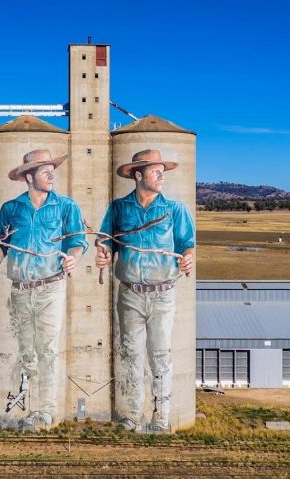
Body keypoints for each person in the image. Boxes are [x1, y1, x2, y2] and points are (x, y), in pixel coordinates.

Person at [0, 149, 88, 429]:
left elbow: (78, 241)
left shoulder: (67, 206)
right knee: (25, 351)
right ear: (29, 176)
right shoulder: (11, 209)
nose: (51, 174)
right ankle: (24, 406)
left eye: (52, 168)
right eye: (45, 170)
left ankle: (45, 411)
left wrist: (73, 257)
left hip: (49, 288)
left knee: (47, 350)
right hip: (19, 291)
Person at [95, 148, 195, 433]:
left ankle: (161, 417)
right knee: (131, 356)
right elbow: (106, 241)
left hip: (163, 294)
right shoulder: (118, 208)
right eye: (154, 170)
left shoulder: (175, 210)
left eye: (162, 169)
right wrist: (103, 253)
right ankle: (132, 416)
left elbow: (186, 243)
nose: (161, 174)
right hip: (129, 294)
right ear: (137, 175)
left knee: (161, 356)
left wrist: (187, 257)